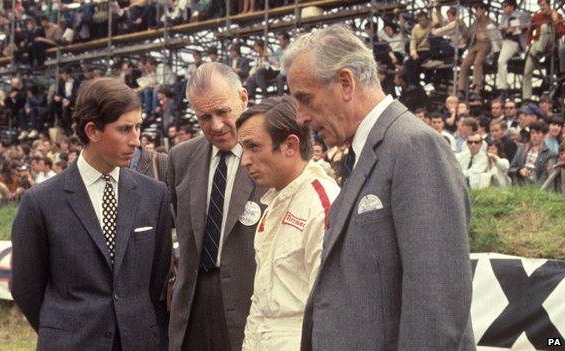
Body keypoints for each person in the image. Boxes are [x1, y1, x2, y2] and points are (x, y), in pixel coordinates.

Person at [283, 24, 474, 350]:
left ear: (345, 83)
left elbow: (436, 302)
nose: (300, 116)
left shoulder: (414, 147)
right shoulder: (366, 151)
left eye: (305, 99)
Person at [11, 77, 172, 350]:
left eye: (138, 127)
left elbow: (155, 279)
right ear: (93, 131)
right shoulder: (40, 202)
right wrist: (64, 329)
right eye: (124, 129)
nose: (136, 140)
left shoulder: (154, 195)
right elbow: (26, 288)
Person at [168, 62, 267, 351]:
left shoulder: (268, 155)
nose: (216, 125)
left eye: (223, 111)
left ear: (243, 98)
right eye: (204, 117)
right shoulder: (180, 159)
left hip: (249, 306)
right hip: (193, 308)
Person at [236, 96, 340, 350]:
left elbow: (333, 313)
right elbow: (262, 305)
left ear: (290, 146)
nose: (244, 160)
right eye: (244, 149)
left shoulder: (322, 206)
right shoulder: (275, 201)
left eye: (253, 147)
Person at [522, 0, 565, 100]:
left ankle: (539, 51)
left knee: (545, 26)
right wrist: (528, 44)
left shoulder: (557, 15)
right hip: (537, 43)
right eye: (540, 5)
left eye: (543, 5)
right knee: (527, 71)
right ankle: (526, 97)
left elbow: (561, 33)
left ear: (549, 5)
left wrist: (555, 21)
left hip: (551, 43)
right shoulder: (536, 16)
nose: (542, 7)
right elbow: (529, 31)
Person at [509, 120, 557, 185]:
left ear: (544, 135)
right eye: (533, 133)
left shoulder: (550, 153)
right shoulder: (522, 149)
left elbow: (547, 177)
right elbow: (511, 168)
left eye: (538, 133)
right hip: (519, 186)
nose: (535, 135)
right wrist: (520, 170)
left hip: (538, 189)